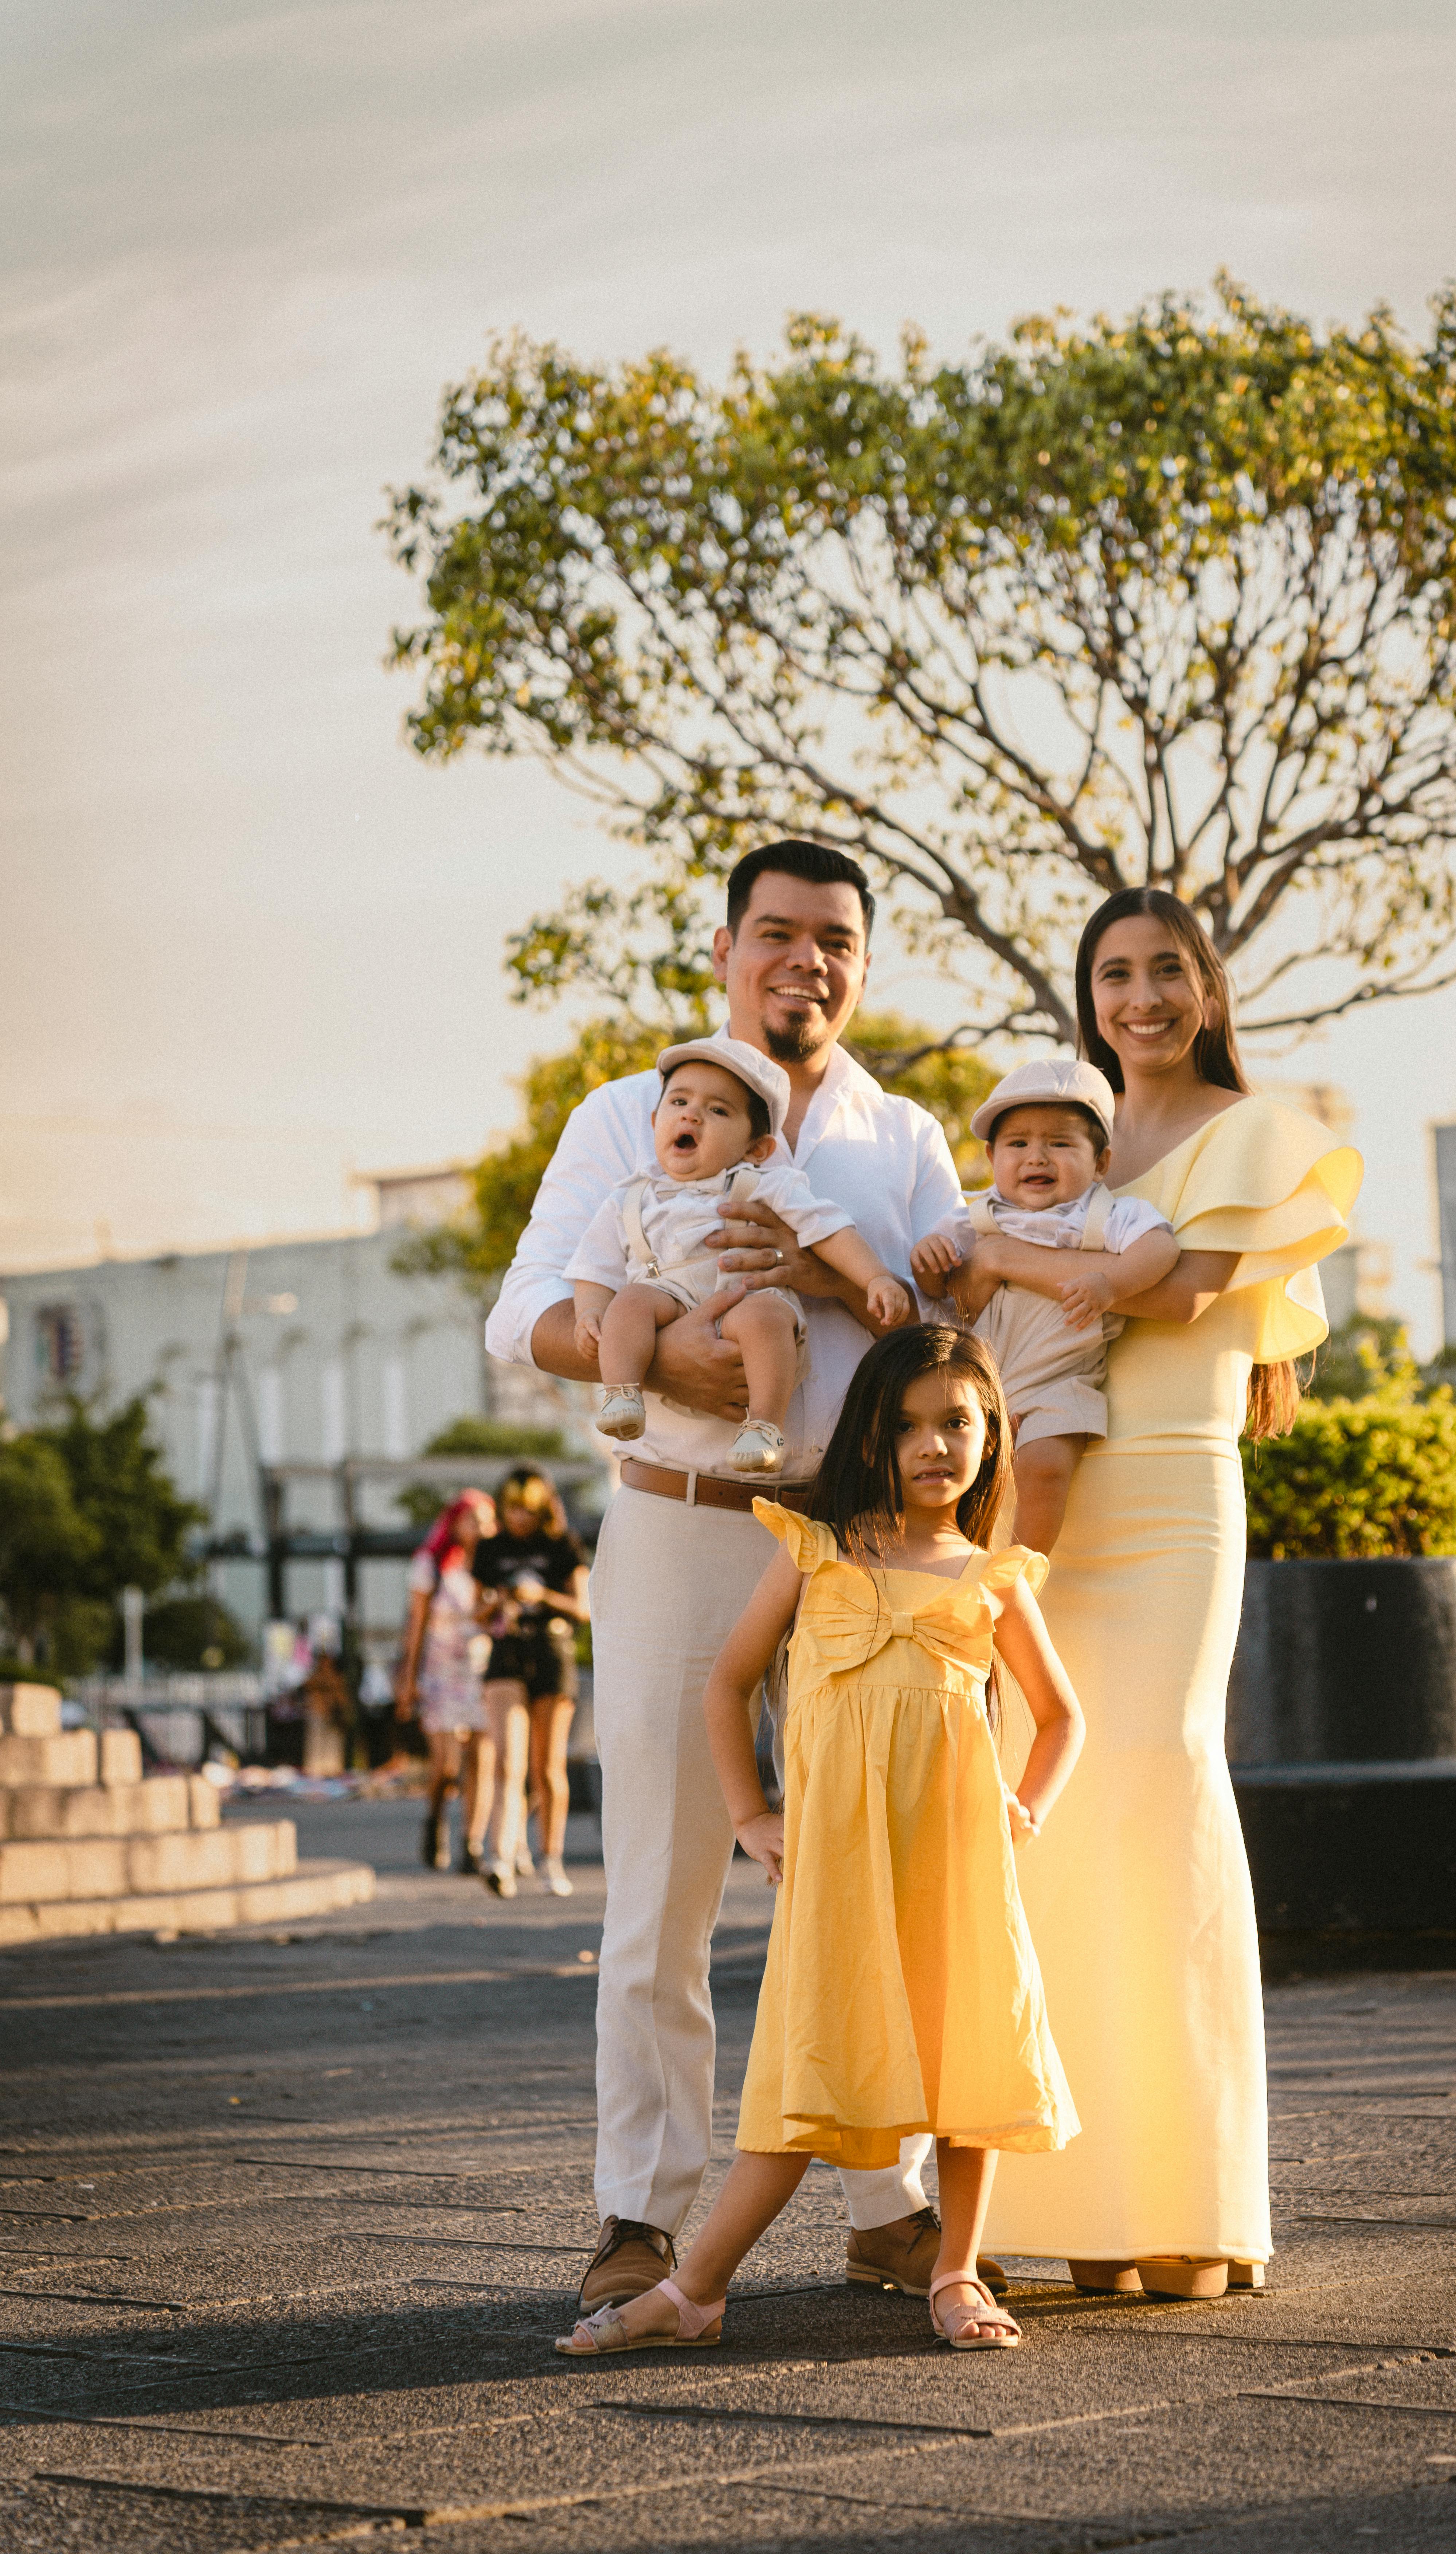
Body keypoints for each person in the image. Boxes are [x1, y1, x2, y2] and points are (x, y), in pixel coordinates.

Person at [485, 839, 972, 2320]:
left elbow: (949, 1337)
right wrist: (668, 1352)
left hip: (854, 1544)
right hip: (677, 1518)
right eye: (776, 933)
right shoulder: (630, 1112)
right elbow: (521, 1320)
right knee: (665, 1887)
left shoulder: (904, 1141)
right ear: (722, 950)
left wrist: (832, 1281)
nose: (803, 962)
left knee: (871, 1879)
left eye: (834, 940)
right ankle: (642, 2211)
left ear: (863, 967)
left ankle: (890, 2206)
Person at [974, 886, 1361, 2300]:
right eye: (1111, 975)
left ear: (1207, 988)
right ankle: (1083, 2203)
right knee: (1050, 1815)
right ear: (1088, 996)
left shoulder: (1253, 1135)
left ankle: (1196, 2207)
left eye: (1163, 972)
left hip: (1172, 1506)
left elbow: (1183, 1293)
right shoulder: (1059, 1139)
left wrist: (1005, 1256)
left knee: (1160, 1783)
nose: (1137, 998)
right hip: (1039, 1495)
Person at [559, 1327, 1084, 2358]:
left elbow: (1062, 1716)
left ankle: (956, 2271)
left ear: (992, 1438)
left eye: (958, 1424)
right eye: (904, 1427)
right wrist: (751, 1814)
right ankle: (698, 2287)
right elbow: (727, 1682)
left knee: (968, 2059)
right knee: (809, 2068)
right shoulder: (820, 1552)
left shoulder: (993, 1576)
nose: (933, 1446)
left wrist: (1026, 1806)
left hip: (956, 1869)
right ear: (869, 1441)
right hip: (840, 1873)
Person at [570, 1038, 910, 1474]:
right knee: (628, 1303)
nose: (691, 1114)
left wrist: (874, 1278)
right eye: (679, 1102)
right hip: (666, 1301)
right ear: (657, 1122)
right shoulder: (629, 1198)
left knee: (765, 1317)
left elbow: (829, 1229)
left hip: (744, 1296)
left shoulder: (764, 1184)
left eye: (718, 1110)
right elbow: (593, 1269)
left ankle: (764, 1427)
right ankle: (622, 1393)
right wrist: (589, 1314)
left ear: (756, 1149)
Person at [910, 1057, 1179, 1551]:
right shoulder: (973, 1217)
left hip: (1060, 1383)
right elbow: (937, 1292)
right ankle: (953, 1565)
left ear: (1101, 1163)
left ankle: (1018, 1574)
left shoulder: (1109, 1216)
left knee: (1045, 1469)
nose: (1037, 1157)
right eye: (1019, 1144)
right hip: (976, 1387)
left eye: (1059, 1143)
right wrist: (927, 1261)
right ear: (992, 1158)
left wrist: (1111, 1284)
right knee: (952, 1481)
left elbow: (1161, 1248)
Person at [471, 1467, 590, 1899]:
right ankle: (499, 1857)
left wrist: (542, 1597)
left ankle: (551, 1859)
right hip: (507, 1652)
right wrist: (500, 1601)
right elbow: (476, 1612)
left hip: (552, 1652)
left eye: (527, 1510)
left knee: (547, 1767)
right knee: (507, 1761)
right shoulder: (490, 1549)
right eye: (512, 1509)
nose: (519, 1518)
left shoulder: (562, 1546)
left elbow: (583, 1609)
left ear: (542, 1509)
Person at [394, 1488, 498, 1871]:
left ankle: (472, 1843)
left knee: (482, 1761)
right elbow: (416, 1625)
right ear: (454, 1523)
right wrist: (408, 1678)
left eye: (488, 1520)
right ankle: (435, 1817)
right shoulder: (432, 1565)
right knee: (449, 1764)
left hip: (484, 1671)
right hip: (439, 1672)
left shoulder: (493, 1566)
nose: (482, 1528)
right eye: (473, 1519)